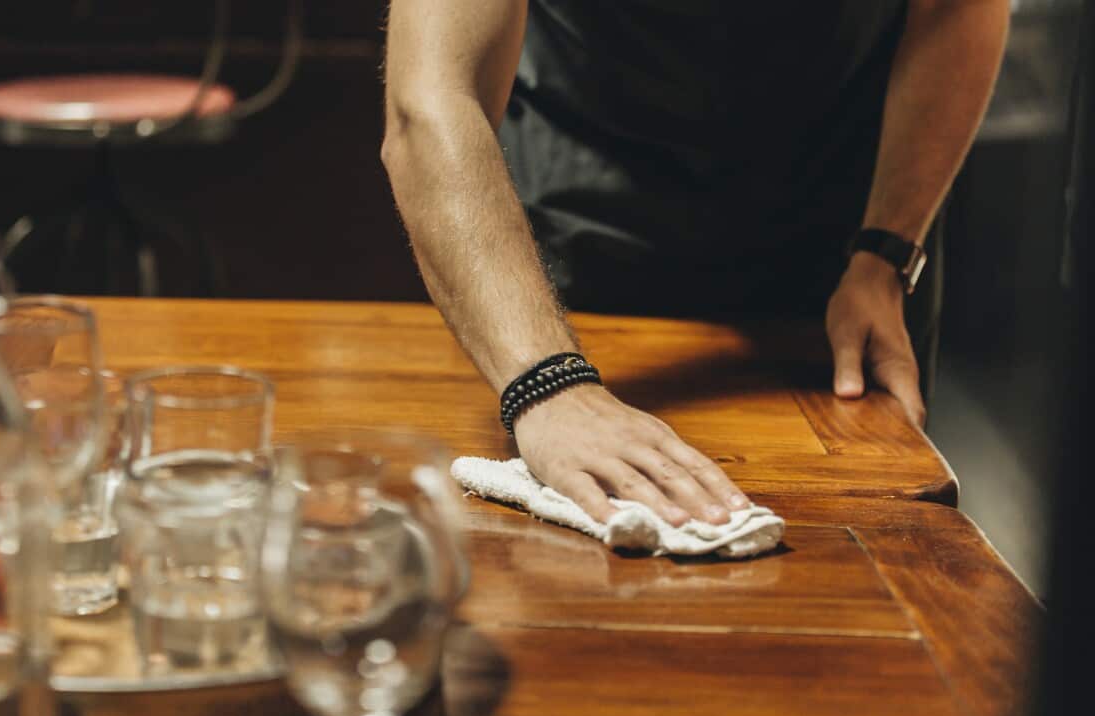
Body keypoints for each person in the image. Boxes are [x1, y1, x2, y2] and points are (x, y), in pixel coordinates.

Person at [380, 1, 1009, 526]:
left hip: (851, 236)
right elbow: (432, 99)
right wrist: (547, 383)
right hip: (582, 233)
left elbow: (958, 7)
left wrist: (886, 253)